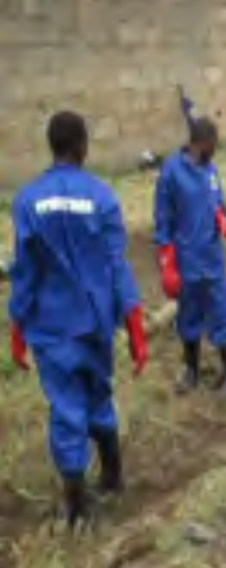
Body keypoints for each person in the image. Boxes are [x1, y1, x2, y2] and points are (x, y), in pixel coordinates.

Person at [8, 111, 148, 529]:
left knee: (66, 408)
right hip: (96, 324)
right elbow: (116, 265)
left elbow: (25, 272)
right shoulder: (102, 196)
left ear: (52, 146)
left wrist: (17, 329)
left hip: (51, 329)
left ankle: (78, 505)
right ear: (83, 146)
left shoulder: (27, 200)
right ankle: (112, 477)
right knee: (99, 395)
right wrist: (136, 329)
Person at [154, 117, 226, 396]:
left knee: (222, 314)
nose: (215, 151)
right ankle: (191, 370)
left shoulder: (211, 170)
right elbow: (162, 220)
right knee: (188, 317)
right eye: (212, 146)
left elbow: (218, 203)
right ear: (199, 144)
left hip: (213, 258)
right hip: (186, 260)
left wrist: (224, 219)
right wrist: (166, 262)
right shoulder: (171, 172)